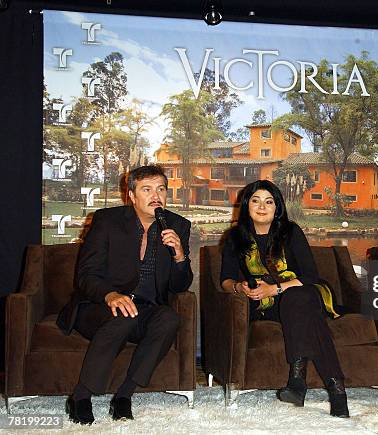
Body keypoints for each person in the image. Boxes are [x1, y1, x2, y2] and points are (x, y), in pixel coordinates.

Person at [57, 165, 193, 424]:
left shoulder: (178, 225)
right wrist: (110, 295)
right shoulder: (107, 221)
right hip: (99, 306)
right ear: (131, 196)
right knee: (123, 316)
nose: (156, 195)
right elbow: (86, 275)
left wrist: (179, 255)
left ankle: (124, 395)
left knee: (169, 319)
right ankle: (81, 396)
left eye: (161, 189)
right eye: (147, 189)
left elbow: (180, 286)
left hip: (145, 310)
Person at [220, 180, 349, 418]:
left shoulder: (291, 232)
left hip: (301, 294)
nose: (262, 207)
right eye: (256, 201)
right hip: (265, 305)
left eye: (269, 202)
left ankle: (299, 381)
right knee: (307, 314)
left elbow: (310, 276)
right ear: (247, 205)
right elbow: (225, 280)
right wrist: (240, 287)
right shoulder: (234, 237)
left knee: (297, 297)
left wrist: (274, 289)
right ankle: (336, 391)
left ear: (277, 207)